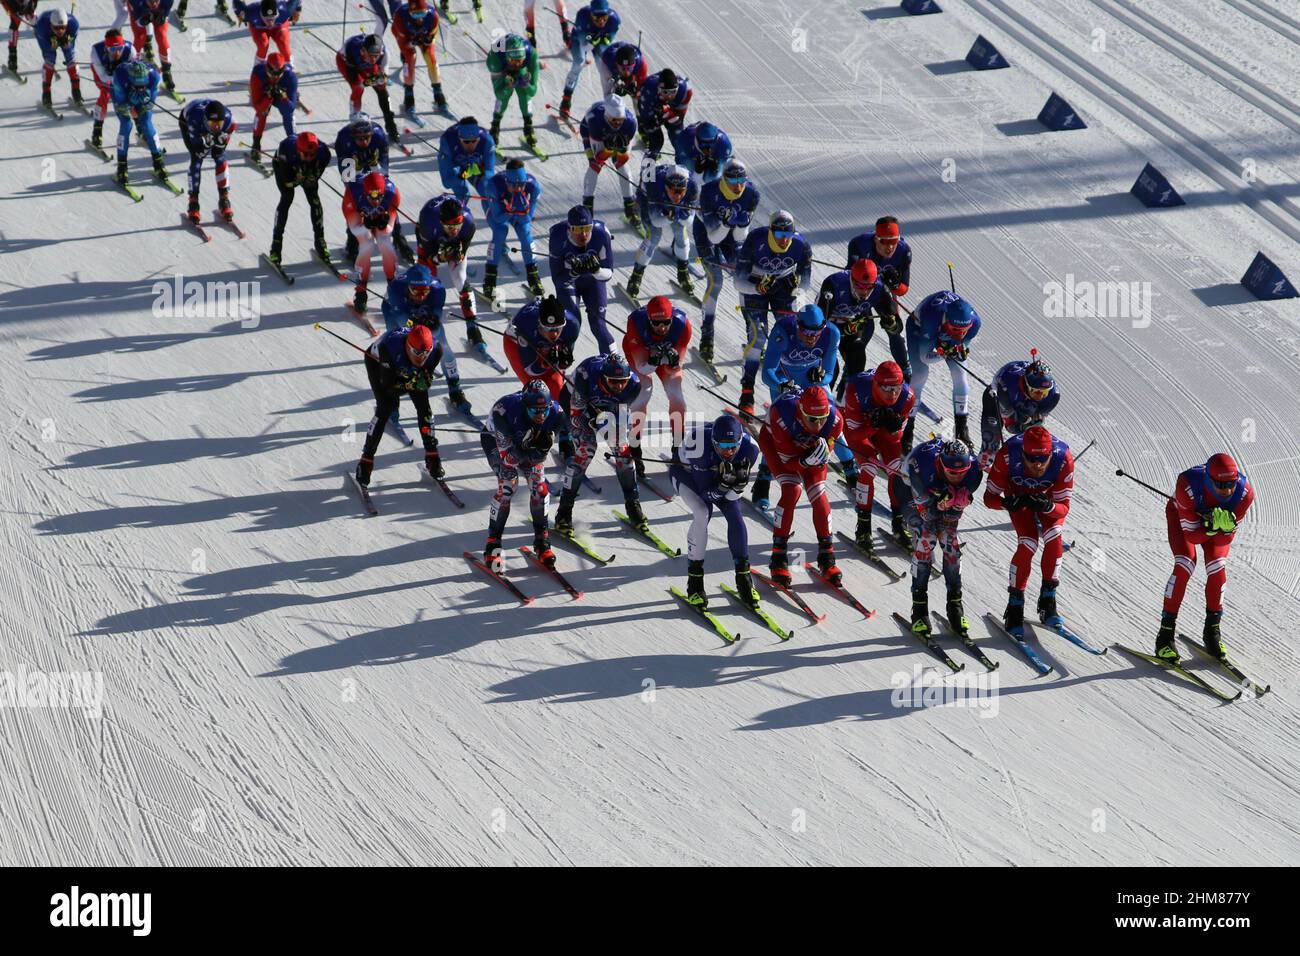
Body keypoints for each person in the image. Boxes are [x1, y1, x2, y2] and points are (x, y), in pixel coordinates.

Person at [1155, 453, 1254, 662]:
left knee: (1218, 569)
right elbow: (1192, 535)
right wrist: (1212, 526)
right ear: (1209, 480)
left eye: (1231, 484)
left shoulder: (1245, 494)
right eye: (1220, 485)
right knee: (1185, 564)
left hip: (1212, 529)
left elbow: (1222, 541)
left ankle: (1212, 632)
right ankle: (1165, 635)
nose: (1227, 490)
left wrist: (1222, 529)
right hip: (1183, 518)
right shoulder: (1187, 484)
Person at [984, 425, 1075, 636]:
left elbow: (1064, 507)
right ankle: (1015, 603)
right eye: (1031, 458)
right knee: (1028, 543)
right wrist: (1007, 503)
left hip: (1047, 499)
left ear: (1051, 453)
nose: (1037, 464)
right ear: (1022, 452)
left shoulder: (1064, 458)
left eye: (1043, 458)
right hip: (1019, 498)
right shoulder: (1007, 454)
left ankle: (1048, 600)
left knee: (1054, 537)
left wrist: (1048, 506)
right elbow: (989, 498)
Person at [669, 415, 761, 610]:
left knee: (735, 514)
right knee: (703, 512)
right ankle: (694, 582)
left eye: (732, 447)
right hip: (687, 475)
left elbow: (730, 498)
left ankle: (744, 578)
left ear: (740, 441)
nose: (728, 452)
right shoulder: (698, 445)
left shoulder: (750, 448)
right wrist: (724, 486)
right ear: (713, 442)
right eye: (722, 447)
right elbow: (706, 495)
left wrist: (736, 487)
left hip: (717, 477)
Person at [757, 386, 844, 586]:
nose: (819, 424)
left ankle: (826, 556)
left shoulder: (835, 419)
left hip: (808, 452)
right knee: (792, 490)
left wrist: (822, 453)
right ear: (801, 412)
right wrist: (804, 462)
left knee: (819, 493)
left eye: (823, 418)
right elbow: (788, 462)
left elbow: (825, 451)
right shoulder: (782, 413)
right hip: (777, 445)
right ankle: (778, 557)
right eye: (813, 419)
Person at [553, 353, 645, 533]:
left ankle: (633, 505)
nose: (619, 386)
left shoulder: (633, 385)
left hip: (608, 408)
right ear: (603, 378)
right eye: (613, 381)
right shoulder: (586, 377)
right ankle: (564, 511)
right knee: (585, 451)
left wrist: (631, 446)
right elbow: (576, 416)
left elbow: (621, 415)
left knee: (623, 454)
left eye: (622, 381)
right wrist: (592, 418)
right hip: (576, 403)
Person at [901, 437, 981, 639]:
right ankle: (918, 609)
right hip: (911, 484)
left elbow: (951, 520)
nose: (957, 476)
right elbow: (927, 515)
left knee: (950, 544)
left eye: (961, 472)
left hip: (939, 494)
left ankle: (955, 604)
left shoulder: (974, 473)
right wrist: (939, 505)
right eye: (952, 472)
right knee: (925, 539)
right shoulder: (923, 467)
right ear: (941, 463)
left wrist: (956, 506)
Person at [733, 209, 812, 415]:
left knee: (790, 337)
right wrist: (757, 287)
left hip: (782, 291)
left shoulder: (801, 245)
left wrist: (796, 287)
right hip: (754, 291)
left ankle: (791, 389)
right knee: (758, 337)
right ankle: (747, 393)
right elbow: (738, 281)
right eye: (779, 235)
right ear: (770, 232)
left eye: (788, 235)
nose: (784, 240)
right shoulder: (755, 240)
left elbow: (805, 283)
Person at [484, 380, 566, 571]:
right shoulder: (504, 411)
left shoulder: (557, 414)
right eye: (534, 411)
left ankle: (542, 540)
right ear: (524, 406)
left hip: (524, 446)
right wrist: (525, 446)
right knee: (507, 487)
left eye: (544, 410)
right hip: (496, 442)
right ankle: (493, 544)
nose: (540, 416)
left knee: (539, 488)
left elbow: (539, 456)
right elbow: (509, 460)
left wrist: (540, 449)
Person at [354, 325, 445, 488]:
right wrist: (412, 382)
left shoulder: (436, 350)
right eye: (417, 353)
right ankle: (366, 460)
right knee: (386, 407)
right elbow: (389, 387)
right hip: (379, 365)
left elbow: (425, 377)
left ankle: (432, 455)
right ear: (408, 347)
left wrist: (423, 380)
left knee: (425, 409)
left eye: (426, 353)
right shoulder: (389, 348)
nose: (422, 358)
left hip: (406, 370)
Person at [842, 361, 915, 550]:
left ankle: (899, 523)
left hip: (882, 435)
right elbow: (854, 434)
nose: (892, 394)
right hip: (861, 432)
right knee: (869, 467)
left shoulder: (907, 397)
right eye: (887, 389)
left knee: (897, 470)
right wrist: (873, 424)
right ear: (876, 384)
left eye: (896, 388)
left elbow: (896, 438)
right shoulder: (856, 389)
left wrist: (894, 427)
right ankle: (863, 527)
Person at [381, 263, 472, 412]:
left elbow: (436, 317)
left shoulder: (438, 290)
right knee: (397, 343)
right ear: (407, 287)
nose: (421, 296)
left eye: (424, 291)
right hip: (395, 310)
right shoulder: (396, 288)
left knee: (445, 349)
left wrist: (433, 321)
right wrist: (415, 323)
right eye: (416, 291)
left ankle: (455, 389)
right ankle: (393, 396)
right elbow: (401, 320)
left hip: (422, 312)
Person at [694, 158, 758, 362]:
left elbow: (740, 238)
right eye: (733, 181)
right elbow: (713, 237)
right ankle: (707, 336)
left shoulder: (751, 193)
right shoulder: (709, 192)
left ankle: (753, 335)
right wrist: (726, 223)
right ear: (724, 179)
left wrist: (742, 225)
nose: (738, 185)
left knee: (743, 281)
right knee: (716, 282)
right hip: (707, 233)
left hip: (730, 235)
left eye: (742, 180)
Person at [904, 290, 981, 451]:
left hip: (942, 338)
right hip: (918, 330)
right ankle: (907, 428)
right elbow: (925, 357)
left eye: (963, 331)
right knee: (920, 374)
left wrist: (956, 348)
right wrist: (946, 351)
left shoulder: (975, 323)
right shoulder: (932, 318)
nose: (959, 334)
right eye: (955, 329)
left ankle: (961, 429)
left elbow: (961, 344)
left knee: (960, 374)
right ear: (946, 319)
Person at [623, 295, 691, 478]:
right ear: (648, 320)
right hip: (640, 357)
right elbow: (642, 368)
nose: (661, 327)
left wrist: (672, 360)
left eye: (666, 322)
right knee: (644, 390)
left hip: (661, 357)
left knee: (677, 397)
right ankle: (635, 451)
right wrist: (654, 359)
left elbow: (674, 369)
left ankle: (678, 449)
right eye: (656, 323)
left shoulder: (683, 324)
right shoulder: (636, 322)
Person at [846, 216, 912, 378]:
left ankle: (905, 372)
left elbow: (903, 289)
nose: (889, 247)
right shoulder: (859, 244)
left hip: (883, 293)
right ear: (876, 239)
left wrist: (895, 284)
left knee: (894, 328)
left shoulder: (904, 251)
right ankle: (850, 374)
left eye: (894, 241)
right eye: (884, 242)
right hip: (863, 291)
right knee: (866, 328)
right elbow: (850, 277)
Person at [818, 258, 888, 403]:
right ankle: (818, 403)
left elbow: (894, 319)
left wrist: (890, 321)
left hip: (849, 323)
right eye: (859, 286)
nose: (863, 291)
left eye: (869, 287)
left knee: (858, 360)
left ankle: (847, 406)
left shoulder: (879, 289)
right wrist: (844, 329)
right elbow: (820, 322)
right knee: (831, 369)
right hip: (826, 324)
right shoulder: (834, 283)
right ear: (851, 279)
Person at [625, 163, 698, 299]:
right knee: (654, 236)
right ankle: (635, 277)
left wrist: (675, 212)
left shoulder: (693, 187)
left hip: (668, 205)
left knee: (680, 231)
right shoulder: (655, 186)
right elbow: (656, 220)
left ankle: (683, 272)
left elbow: (688, 221)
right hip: (649, 202)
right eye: (672, 190)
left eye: (681, 191)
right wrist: (668, 214)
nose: (677, 195)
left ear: (686, 188)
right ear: (666, 187)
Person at [548, 205, 614, 352]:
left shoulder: (601, 233)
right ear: (569, 228)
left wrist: (596, 270)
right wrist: (573, 273)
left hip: (593, 282)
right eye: (577, 229)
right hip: (569, 284)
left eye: (587, 228)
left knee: (599, 324)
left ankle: (614, 367)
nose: (583, 234)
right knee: (571, 325)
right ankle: (560, 365)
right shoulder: (557, 236)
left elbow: (609, 273)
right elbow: (557, 281)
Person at [977, 353, 1059, 470]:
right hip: (998, 398)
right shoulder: (1007, 385)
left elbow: (1036, 421)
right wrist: (1018, 418)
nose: (1040, 396)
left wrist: (1031, 423)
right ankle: (985, 459)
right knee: (992, 439)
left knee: (1033, 429)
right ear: (1026, 384)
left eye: (1044, 392)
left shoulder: (1053, 396)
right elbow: (1009, 425)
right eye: (1036, 391)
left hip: (1021, 402)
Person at [417, 195, 480, 346]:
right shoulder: (428, 221)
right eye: (450, 228)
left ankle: (473, 327)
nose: (454, 231)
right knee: (426, 277)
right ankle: (423, 315)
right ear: (441, 222)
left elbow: (463, 245)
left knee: (459, 278)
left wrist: (459, 252)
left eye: (457, 227)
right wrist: (440, 256)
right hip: (431, 239)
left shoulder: (469, 223)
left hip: (450, 242)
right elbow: (430, 257)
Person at [482, 158, 543, 300]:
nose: (518, 189)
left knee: (525, 233)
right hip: (498, 211)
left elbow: (527, 219)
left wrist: (522, 210)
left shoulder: (533, 187)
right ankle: (489, 280)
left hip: (517, 212)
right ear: (507, 182)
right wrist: (510, 210)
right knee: (500, 232)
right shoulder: (494, 185)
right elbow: (497, 217)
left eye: (521, 185)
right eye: (514, 186)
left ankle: (534, 277)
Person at [503, 295, 581, 406]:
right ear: (539, 323)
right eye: (547, 328)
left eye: (558, 328)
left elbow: (564, 360)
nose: (554, 334)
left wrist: (563, 363)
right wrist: (546, 364)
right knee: (539, 393)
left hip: (544, 345)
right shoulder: (526, 324)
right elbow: (530, 370)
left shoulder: (572, 325)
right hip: (515, 345)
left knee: (557, 390)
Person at [268, 131, 331, 266]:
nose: (309, 157)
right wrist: (298, 177)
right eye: (306, 154)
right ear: (298, 150)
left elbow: (314, 175)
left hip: (303, 168)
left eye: (312, 155)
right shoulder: (286, 152)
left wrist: (311, 177)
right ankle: (276, 245)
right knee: (287, 198)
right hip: (284, 167)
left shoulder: (324, 153)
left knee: (314, 200)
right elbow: (288, 182)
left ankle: (320, 240)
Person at [344, 169, 401, 312]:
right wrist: (365, 225)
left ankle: (393, 287)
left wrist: (385, 223)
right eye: (371, 196)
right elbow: (354, 227)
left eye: (378, 196)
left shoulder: (393, 193)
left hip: (377, 217)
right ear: (364, 192)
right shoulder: (353, 192)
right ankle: (361, 291)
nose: (375, 201)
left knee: (385, 242)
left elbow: (389, 226)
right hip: (359, 216)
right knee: (367, 243)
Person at [578, 93, 639, 228]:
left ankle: (630, 207)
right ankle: (588, 207)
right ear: (607, 116)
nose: (617, 123)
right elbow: (599, 157)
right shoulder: (595, 122)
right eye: (614, 121)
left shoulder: (630, 123)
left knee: (623, 167)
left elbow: (623, 159)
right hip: (591, 132)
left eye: (620, 120)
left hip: (613, 133)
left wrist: (621, 150)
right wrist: (608, 149)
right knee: (595, 166)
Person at [557, 0, 618, 118]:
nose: (601, 22)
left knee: (605, 69)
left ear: (608, 14)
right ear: (591, 15)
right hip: (580, 40)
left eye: (604, 18)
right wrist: (595, 39)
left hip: (596, 41)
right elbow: (585, 46)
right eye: (597, 18)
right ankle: (566, 99)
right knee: (579, 62)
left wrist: (599, 39)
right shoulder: (583, 16)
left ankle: (610, 105)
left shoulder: (614, 19)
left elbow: (608, 41)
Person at [178, 99, 235, 223]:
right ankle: (193, 201)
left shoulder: (229, 121)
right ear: (205, 120)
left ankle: (224, 198)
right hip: (189, 122)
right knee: (196, 159)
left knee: (219, 157)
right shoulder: (194, 121)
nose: (215, 126)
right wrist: (206, 143)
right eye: (212, 123)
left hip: (205, 120)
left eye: (219, 123)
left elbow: (220, 150)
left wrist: (219, 143)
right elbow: (199, 151)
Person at [337, 32, 399, 139]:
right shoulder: (351, 48)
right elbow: (356, 79)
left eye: (376, 56)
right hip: (347, 62)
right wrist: (365, 82)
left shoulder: (385, 55)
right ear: (363, 50)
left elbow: (382, 78)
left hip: (365, 64)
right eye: (370, 55)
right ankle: (355, 121)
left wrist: (373, 80)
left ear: (381, 52)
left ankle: (390, 124)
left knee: (382, 88)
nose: (373, 59)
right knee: (358, 89)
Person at [392, 0, 447, 114]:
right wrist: (412, 42)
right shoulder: (400, 16)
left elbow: (434, 31)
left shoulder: (433, 15)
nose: (419, 18)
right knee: (410, 58)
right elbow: (404, 41)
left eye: (422, 14)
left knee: (431, 58)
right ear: (409, 12)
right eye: (416, 15)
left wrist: (429, 37)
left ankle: (438, 92)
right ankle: (408, 95)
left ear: (426, 11)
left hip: (423, 35)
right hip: (405, 37)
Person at [486, 32, 539, 147]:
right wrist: (507, 86)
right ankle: (495, 126)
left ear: (524, 57)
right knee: (505, 95)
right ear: (507, 58)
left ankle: (528, 126)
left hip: (509, 62)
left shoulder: (532, 55)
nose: (517, 65)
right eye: (514, 61)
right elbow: (498, 93)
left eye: (520, 61)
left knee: (524, 92)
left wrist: (527, 86)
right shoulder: (495, 60)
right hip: (501, 66)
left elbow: (533, 91)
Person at [89, 29, 135, 151]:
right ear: (106, 47)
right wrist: (113, 73)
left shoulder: (130, 50)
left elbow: (134, 75)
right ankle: (97, 131)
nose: (117, 53)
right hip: (102, 74)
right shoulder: (96, 52)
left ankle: (140, 127)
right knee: (106, 93)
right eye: (113, 50)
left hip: (120, 74)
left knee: (131, 94)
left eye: (119, 48)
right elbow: (103, 78)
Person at [248, 51, 297, 161]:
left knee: (287, 113)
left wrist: (284, 97)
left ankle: (293, 143)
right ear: (266, 68)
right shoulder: (257, 74)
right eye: (272, 73)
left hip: (279, 97)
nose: (275, 77)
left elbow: (291, 107)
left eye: (279, 73)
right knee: (262, 113)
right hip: (264, 96)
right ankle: (256, 144)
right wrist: (268, 97)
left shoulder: (291, 77)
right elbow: (257, 106)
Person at [34, 7, 80, 110]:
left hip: (60, 33)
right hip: (45, 36)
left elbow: (72, 40)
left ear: (67, 25)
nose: (60, 31)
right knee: (50, 59)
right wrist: (52, 44)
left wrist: (68, 40)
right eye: (56, 28)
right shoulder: (41, 27)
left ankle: (76, 91)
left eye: (63, 27)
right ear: (51, 25)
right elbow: (46, 48)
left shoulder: (74, 24)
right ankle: (46, 94)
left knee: (71, 58)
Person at [673, 120, 732, 184]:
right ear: (696, 139)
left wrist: (716, 167)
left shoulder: (724, 144)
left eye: (712, 145)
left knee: (713, 177)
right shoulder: (685, 139)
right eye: (704, 145)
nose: (708, 150)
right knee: (687, 172)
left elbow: (721, 167)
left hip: (704, 154)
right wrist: (696, 173)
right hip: (690, 154)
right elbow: (680, 163)